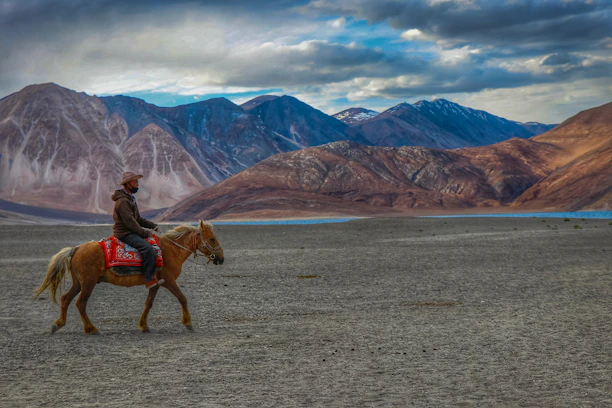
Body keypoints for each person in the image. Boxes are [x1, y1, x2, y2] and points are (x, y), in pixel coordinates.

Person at [112, 171, 165, 289]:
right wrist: (145, 233)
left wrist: (153, 226)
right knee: (148, 249)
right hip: (125, 234)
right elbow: (130, 223)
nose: (137, 184)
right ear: (128, 184)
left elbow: (138, 219)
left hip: (130, 231)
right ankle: (149, 279)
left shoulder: (130, 198)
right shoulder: (123, 201)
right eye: (135, 182)